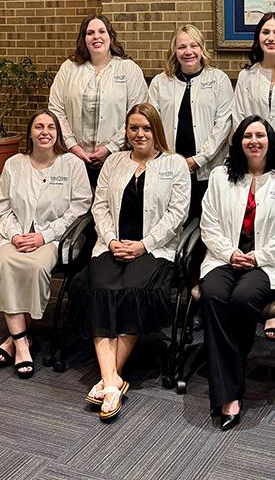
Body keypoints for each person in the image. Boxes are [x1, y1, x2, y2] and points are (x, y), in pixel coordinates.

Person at [82, 103, 190, 421]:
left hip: (154, 250)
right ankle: (113, 381)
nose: (139, 134)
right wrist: (112, 240)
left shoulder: (175, 164)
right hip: (111, 246)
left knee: (132, 289)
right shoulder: (114, 162)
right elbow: (99, 205)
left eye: (145, 128)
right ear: (126, 132)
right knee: (101, 287)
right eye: (133, 128)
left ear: (156, 130)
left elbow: (177, 214)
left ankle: (108, 381)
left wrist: (144, 245)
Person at [0, 110, 91, 379]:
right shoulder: (14, 163)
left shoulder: (71, 164)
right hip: (12, 236)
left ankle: (13, 337)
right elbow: (2, 207)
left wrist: (44, 235)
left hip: (53, 239)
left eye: (51, 127)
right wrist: (16, 235)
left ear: (58, 133)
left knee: (35, 267)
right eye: (39, 126)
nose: (45, 132)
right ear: (30, 133)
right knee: (4, 262)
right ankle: (21, 342)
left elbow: (80, 207)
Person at [198, 116, 275, 431]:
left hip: (266, 262)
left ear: (270, 140)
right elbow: (208, 223)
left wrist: (257, 256)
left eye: (260, 135)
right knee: (214, 295)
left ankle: (228, 388)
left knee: (244, 300)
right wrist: (230, 253)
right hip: (222, 257)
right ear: (239, 142)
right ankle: (230, 394)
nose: (253, 141)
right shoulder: (220, 176)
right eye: (247, 135)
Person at [49, 13, 148, 186]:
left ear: (110, 36)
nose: (96, 37)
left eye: (102, 31)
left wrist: (110, 148)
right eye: (90, 33)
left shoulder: (129, 69)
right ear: (84, 38)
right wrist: (72, 145)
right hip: (74, 158)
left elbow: (137, 113)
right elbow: (56, 109)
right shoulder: (68, 68)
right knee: (77, 207)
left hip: (117, 158)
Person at [148, 24, 233, 220]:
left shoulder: (219, 80)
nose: (188, 52)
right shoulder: (160, 83)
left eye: (193, 46)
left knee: (205, 221)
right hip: (168, 168)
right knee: (171, 221)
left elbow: (223, 125)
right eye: (182, 47)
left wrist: (198, 160)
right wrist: (168, 160)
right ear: (174, 51)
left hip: (207, 169)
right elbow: (151, 124)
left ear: (202, 49)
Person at [233, 12, 275, 127]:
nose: (271, 38)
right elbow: (239, 120)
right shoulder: (246, 76)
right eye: (265, 32)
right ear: (258, 37)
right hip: (253, 144)